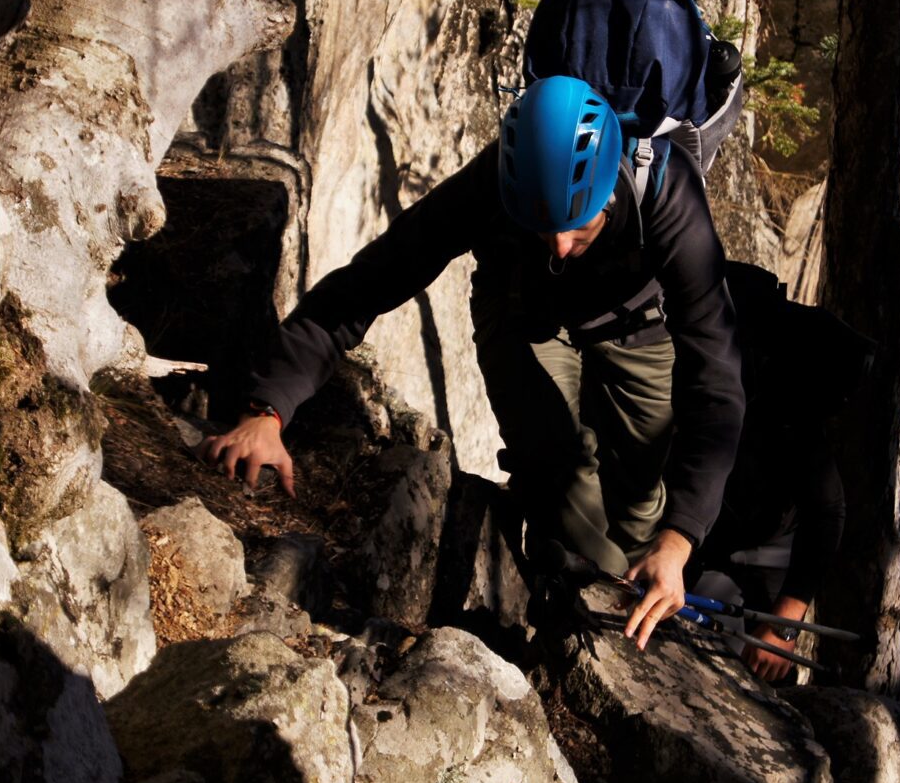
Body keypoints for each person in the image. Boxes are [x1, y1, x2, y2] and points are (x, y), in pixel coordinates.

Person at [201, 68, 745, 649]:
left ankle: (651, 575)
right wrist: (269, 407)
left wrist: (680, 538)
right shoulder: (494, 185)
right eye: (545, 225)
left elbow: (716, 375)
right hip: (522, 307)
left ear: (612, 181)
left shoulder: (667, 191)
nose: (560, 245)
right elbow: (374, 280)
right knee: (558, 469)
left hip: (634, 319)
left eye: (577, 223)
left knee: (641, 492)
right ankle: (575, 597)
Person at [692, 261, 871, 682]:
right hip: (718, 519)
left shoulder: (787, 397)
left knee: (766, 661)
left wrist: (783, 626)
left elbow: (827, 511)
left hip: (770, 530)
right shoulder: (705, 350)